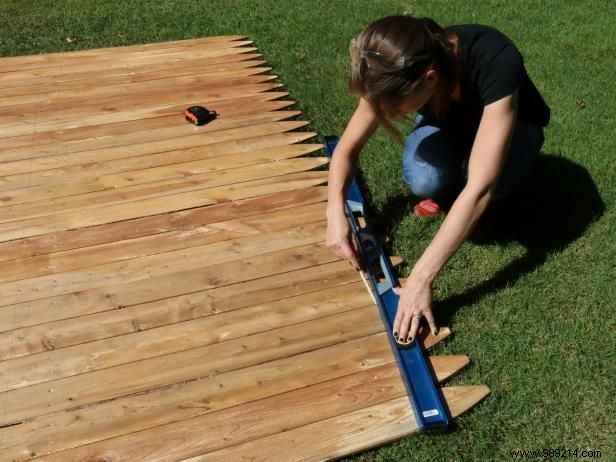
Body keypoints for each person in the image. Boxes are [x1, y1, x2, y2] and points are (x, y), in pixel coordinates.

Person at [326, 15, 549, 344]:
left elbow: (480, 187)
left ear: (430, 79)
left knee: (491, 182)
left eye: (392, 106)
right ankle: (454, 195)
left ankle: (479, 203)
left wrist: (420, 278)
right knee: (424, 177)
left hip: (515, 130)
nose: (385, 113)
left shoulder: (496, 59)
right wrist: (334, 211)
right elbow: (346, 150)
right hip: (450, 124)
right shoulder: (391, 67)